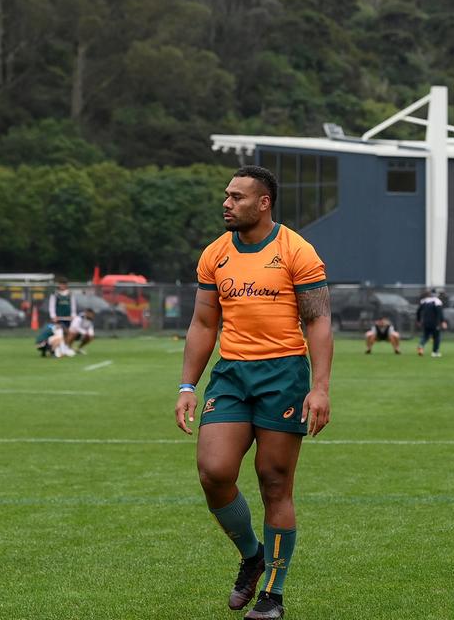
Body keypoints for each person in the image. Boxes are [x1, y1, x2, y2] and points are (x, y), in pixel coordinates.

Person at [175, 165, 333, 620]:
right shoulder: (214, 254)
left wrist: (320, 388)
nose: (227, 203)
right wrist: (188, 385)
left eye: (237, 197)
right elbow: (205, 323)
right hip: (232, 375)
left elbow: (318, 321)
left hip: (283, 376)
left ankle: (272, 596)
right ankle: (252, 554)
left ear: (264, 203)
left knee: (275, 482)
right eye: (226, 195)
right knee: (214, 471)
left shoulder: (296, 251)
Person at [415, 289, 446, 357]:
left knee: (425, 336)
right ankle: (435, 352)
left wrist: (418, 320)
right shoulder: (437, 301)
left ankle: (421, 345)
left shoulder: (424, 301)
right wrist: (442, 322)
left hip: (425, 322)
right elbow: (439, 313)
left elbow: (418, 311)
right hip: (434, 323)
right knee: (436, 337)